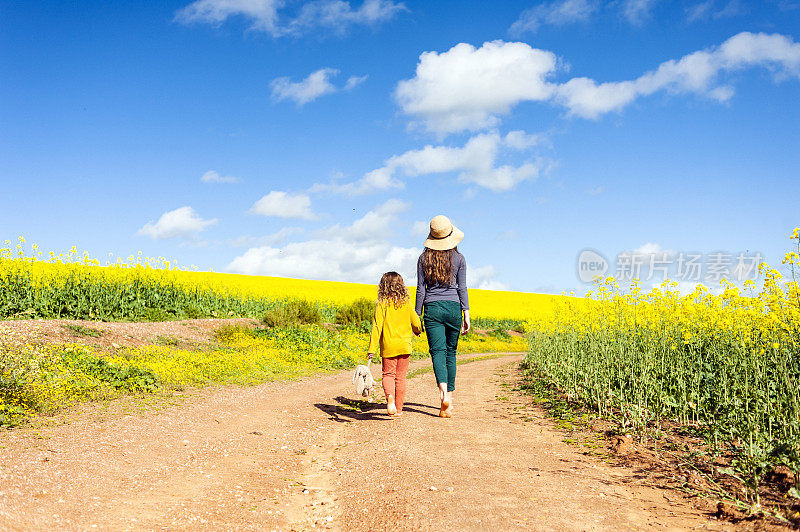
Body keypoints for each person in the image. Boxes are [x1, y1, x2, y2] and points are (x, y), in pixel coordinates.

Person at [415, 215, 470, 418]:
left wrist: (416, 314)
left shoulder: (423, 258)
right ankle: (450, 401)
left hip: (432, 308)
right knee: (450, 353)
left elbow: (421, 289)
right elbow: (462, 287)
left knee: (437, 352)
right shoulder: (459, 258)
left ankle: (443, 394)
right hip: (454, 306)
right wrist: (467, 313)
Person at [367, 272, 423, 416]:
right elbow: (416, 321)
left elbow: (376, 327)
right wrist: (418, 330)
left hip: (389, 346)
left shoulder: (382, 304)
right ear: (401, 285)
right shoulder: (406, 303)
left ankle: (389, 398)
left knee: (388, 374)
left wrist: (372, 349)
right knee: (401, 377)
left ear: (383, 286)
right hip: (404, 346)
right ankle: (398, 409)